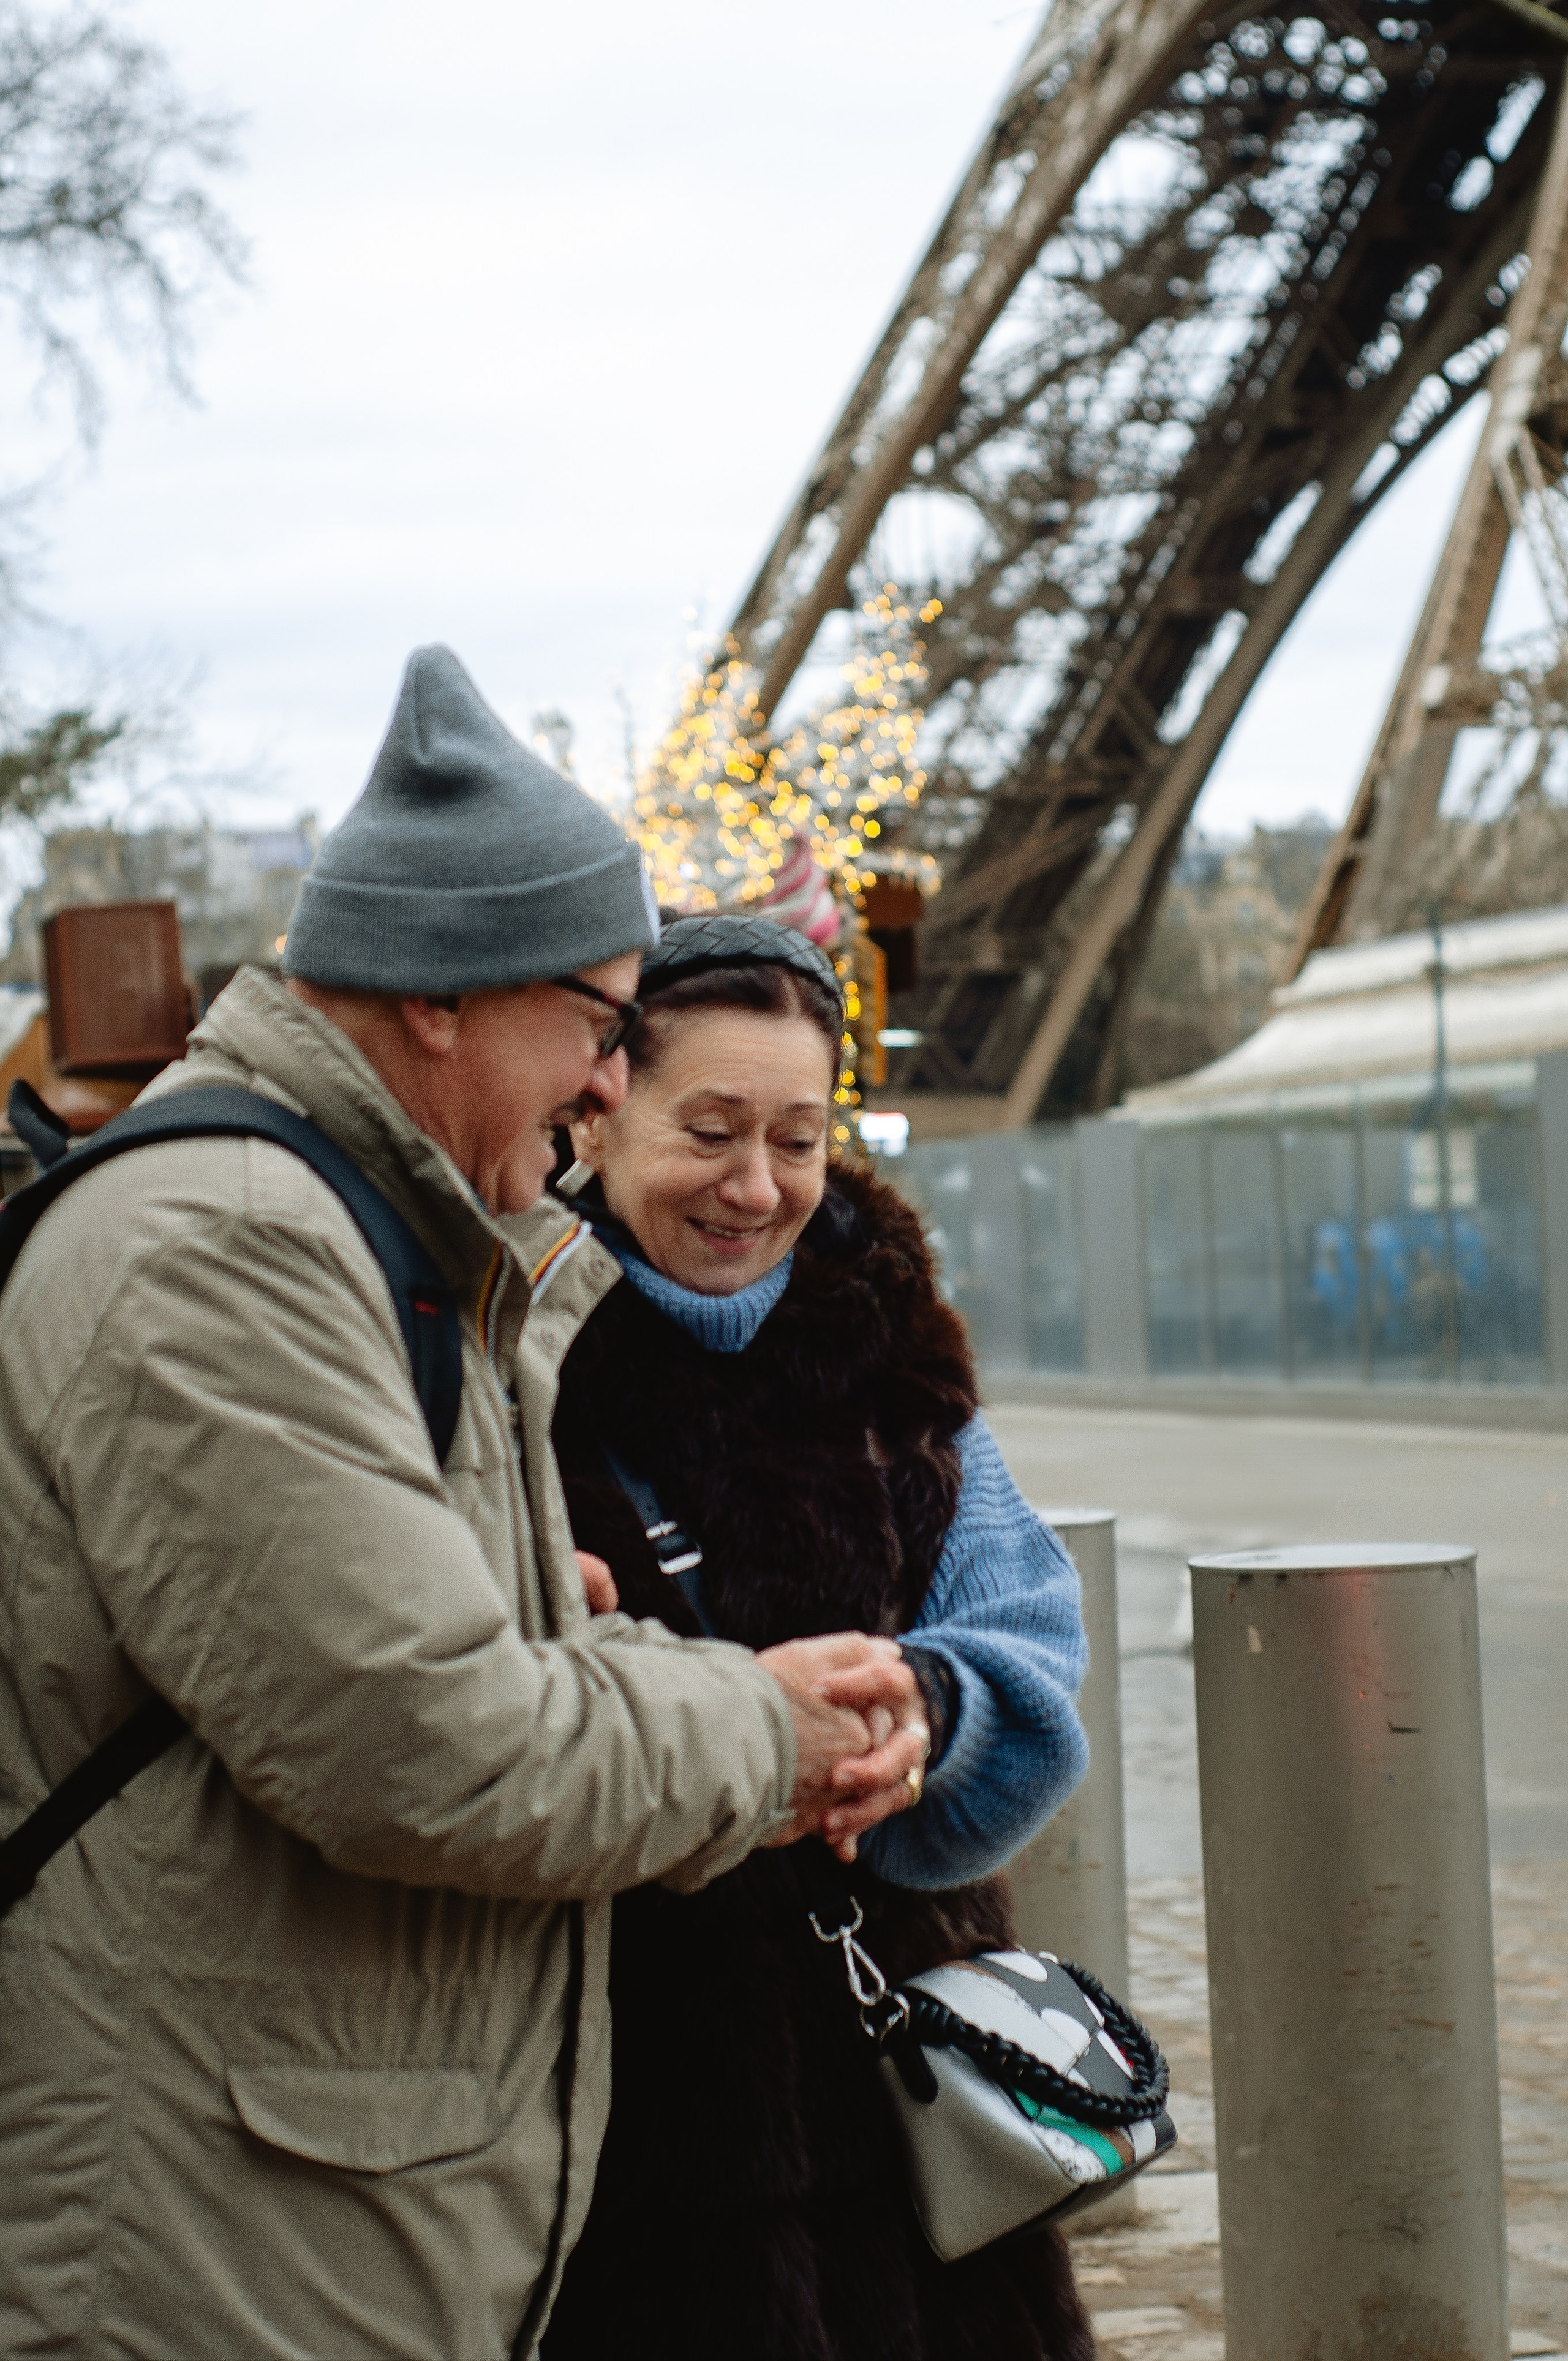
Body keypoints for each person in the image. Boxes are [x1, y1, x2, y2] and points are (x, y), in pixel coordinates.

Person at [0, 650, 927, 2361]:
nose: (602, 1083)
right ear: (441, 996)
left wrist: (558, 1636)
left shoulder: (343, 1234)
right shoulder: (238, 1246)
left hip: (282, 2212)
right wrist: (764, 1725)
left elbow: (357, 1681)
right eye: (597, 1025)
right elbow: (431, 1749)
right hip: (215, 2248)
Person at [537, 913, 1096, 2361]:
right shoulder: (505, 1357)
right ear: (598, 1117)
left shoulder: (890, 1351)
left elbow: (1026, 1637)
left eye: (796, 1136)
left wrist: (932, 1710)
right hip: (624, 2121)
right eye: (711, 1129)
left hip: (915, 2115)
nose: (755, 1185)